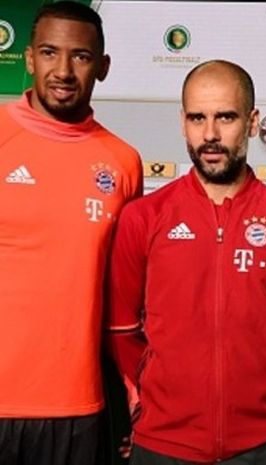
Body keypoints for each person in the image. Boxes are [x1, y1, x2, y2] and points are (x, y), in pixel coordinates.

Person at [106, 60, 266, 464]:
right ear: (182, 122)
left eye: (225, 117)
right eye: (198, 118)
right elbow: (122, 329)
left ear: (252, 121)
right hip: (163, 444)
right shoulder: (143, 218)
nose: (210, 135)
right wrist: (151, 401)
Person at [0, 2, 143, 464]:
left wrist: (133, 393)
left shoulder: (123, 161)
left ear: (102, 67)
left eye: (80, 56)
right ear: (28, 59)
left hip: (78, 406)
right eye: (48, 52)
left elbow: (125, 294)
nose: (62, 70)